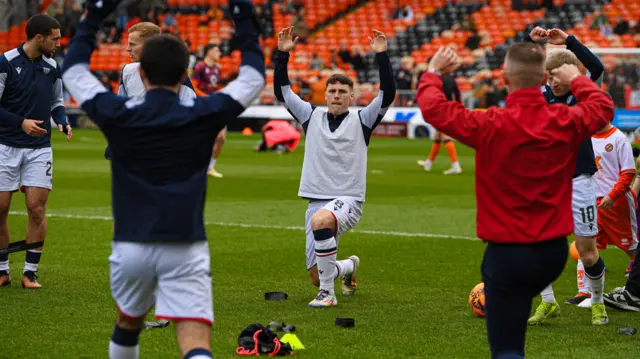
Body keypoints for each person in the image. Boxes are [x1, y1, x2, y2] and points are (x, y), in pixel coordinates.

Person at [61, 1, 265, 358]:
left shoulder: (117, 113)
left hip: (130, 246)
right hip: (185, 245)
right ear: (185, 73)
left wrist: (96, 13)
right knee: (195, 338)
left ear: (141, 73)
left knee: (128, 322)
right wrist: (242, 11)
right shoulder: (203, 114)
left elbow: (74, 69)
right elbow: (253, 77)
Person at [417, 45, 614, 359]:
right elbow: (602, 108)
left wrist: (433, 72)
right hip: (552, 253)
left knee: (507, 348)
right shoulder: (565, 120)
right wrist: (577, 78)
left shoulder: (489, 124)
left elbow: (434, 109)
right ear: (544, 78)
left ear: (504, 78)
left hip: (507, 253)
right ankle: (548, 301)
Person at [273, 26, 396, 307]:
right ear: (325, 95)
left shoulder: (363, 120)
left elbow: (387, 94)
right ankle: (349, 267)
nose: (337, 95)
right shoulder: (309, 115)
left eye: (343, 91)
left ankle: (327, 296)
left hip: (348, 199)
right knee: (317, 275)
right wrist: (282, 54)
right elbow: (283, 92)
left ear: (352, 97)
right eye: (333, 91)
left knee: (321, 223)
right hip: (316, 200)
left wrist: (382, 55)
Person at [524, 27, 608, 326]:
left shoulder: (584, 94)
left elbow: (597, 67)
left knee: (587, 253)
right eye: (549, 77)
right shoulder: (539, 96)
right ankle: (548, 303)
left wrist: (570, 41)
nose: (553, 83)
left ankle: (597, 302)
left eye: (557, 78)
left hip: (579, 180)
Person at [0, 14, 72, 289]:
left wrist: (63, 120)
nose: (58, 43)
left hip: (39, 148)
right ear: (38, 38)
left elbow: (57, 101)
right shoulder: (5, 63)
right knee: (1, 208)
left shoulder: (52, 66)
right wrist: (21, 123)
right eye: (54, 38)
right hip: (4, 145)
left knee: (36, 208)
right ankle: (2, 269)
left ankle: (30, 272)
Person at [104, 21, 196, 160]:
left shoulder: (176, 72)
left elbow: (191, 113)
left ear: (150, 46)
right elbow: (122, 110)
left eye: (133, 44)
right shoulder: (128, 71)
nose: (128, 49)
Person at [417, 74, 463, 175]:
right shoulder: (451, 78)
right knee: (438, 135)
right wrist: (459, 105)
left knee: (443, 134)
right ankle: (428, 163)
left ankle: (456, 166)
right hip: (450, 107)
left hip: (441, 107)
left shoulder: (437, 79)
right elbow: (457, 93)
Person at [192, 44, 226, 178]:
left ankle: (210, 167)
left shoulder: (218, 69)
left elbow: (216, 86)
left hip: (214, 105)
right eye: (217, 50)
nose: (219, 53)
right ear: (209, 52)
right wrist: (207, 98)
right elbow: (193, 86)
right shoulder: (199, 67)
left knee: (221, 137)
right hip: (202, 105)